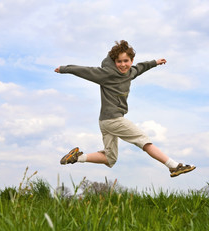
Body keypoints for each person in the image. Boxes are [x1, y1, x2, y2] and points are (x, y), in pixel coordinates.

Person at [54, 40, 195, 177]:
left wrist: (155, 63)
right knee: (143, 140)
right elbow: (84, 71)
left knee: (110, 159)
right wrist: (64, 69)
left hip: (105, 122)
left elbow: (141, 68)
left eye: (126, 61)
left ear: (131, 61)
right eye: (119, 62)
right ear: (114, 62)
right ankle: (174, 166)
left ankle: (77, 158)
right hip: (113, 119)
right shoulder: (106, 74)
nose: (123, 65)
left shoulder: (130, 72)